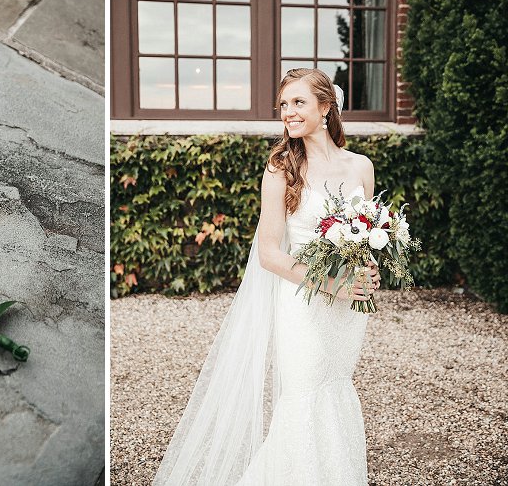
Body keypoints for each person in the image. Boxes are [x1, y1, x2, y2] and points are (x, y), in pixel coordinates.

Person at [152, 68, 381, 486]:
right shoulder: (280, 169)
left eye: (299, 103)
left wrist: (368, 271)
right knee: (304, 399)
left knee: (336, 392)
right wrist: (333, 283)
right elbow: (270, 254)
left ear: (326, 107)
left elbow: (366, 236)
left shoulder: (361, 167)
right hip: (304, 303)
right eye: (283, 105)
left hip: (349, 311)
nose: (288, 113)